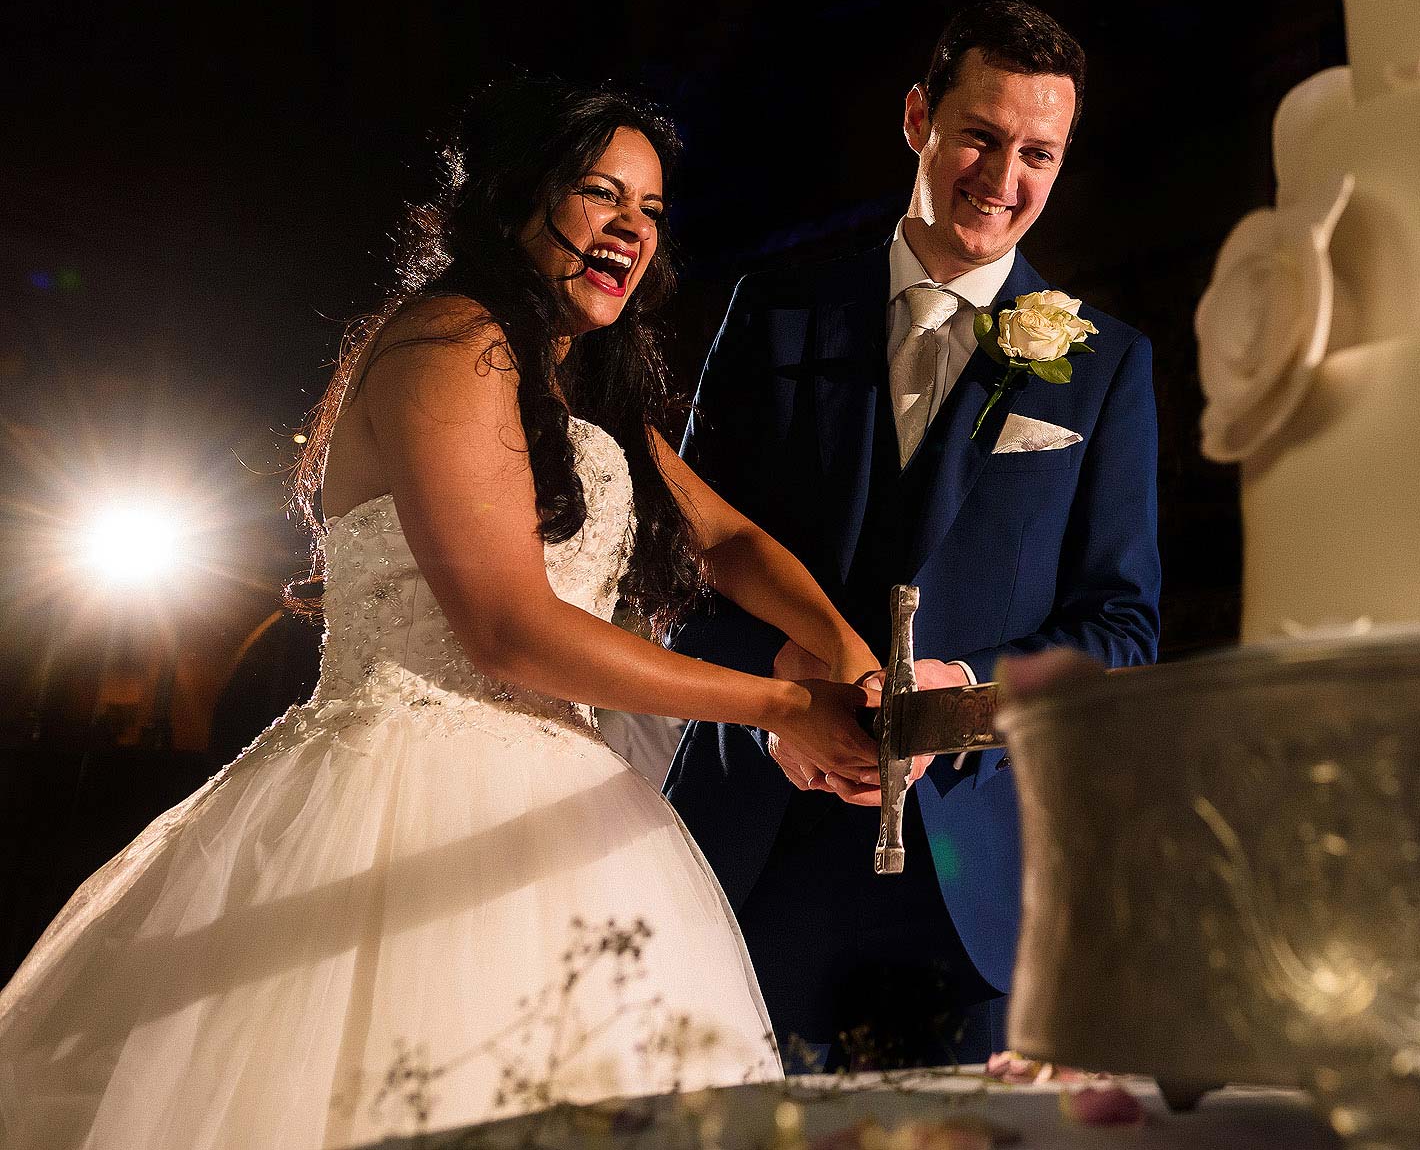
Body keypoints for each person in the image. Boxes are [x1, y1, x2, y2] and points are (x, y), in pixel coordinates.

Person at [0, 77, 886, 1149]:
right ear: (519, 198)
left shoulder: (582, 389)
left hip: (568, 811)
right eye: (599, 193)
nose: (629, 230)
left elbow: (730, 540)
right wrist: (782, 704)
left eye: (649, 210)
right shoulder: (449, 342)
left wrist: (851, 660)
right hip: (397, 795)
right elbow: (507, 630)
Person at [666, 0, 1162, 1070]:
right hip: (751, 849)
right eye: (980, 136)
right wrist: (778, 706)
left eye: (1039, 153)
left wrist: (966, 696)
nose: (1003, 177)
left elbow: (1121, 633)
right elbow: (680, 567)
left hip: (974, 875)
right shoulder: (775, 311)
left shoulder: (1105, 363)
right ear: (914, 120)